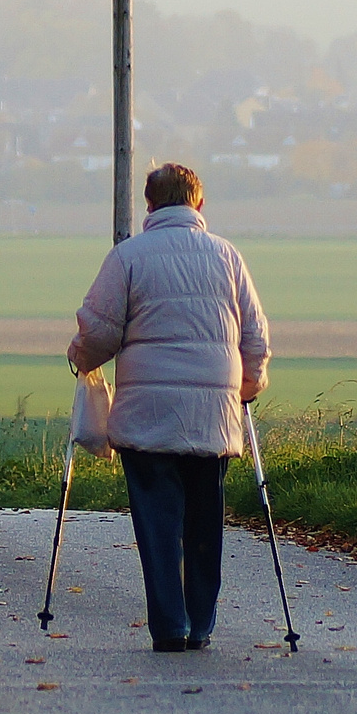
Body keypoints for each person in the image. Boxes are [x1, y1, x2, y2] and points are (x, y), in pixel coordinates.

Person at [68, 163, 271, 653]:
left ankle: (170, 626)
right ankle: (201, 622)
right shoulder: (227, 256)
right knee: (205, 520)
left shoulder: (128, 257)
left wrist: (80, 358)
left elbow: (99, 332)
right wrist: (247, 386)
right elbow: (255, 335)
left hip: (148, 415)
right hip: (213, 414)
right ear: (199, 205)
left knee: (159, 523)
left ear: (150, 205)